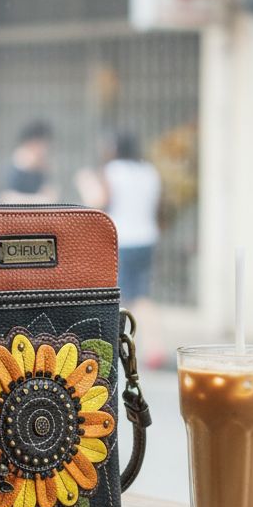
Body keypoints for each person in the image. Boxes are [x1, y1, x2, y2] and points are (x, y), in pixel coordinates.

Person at [76, 131, 165, 365]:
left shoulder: (111, 171)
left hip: (121, 241)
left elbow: (96, 202)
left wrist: (85, 182)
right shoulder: (149, 171)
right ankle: (155, 347)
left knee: (117, 296)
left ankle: (107, 349)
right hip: (146, 239)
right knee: (142, 295)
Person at [0, 121, 58, 203]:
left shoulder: (42, 168)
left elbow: (50, 195)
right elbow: (6, 197)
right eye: (39, 144)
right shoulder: (15, 167)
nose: (43, 149)